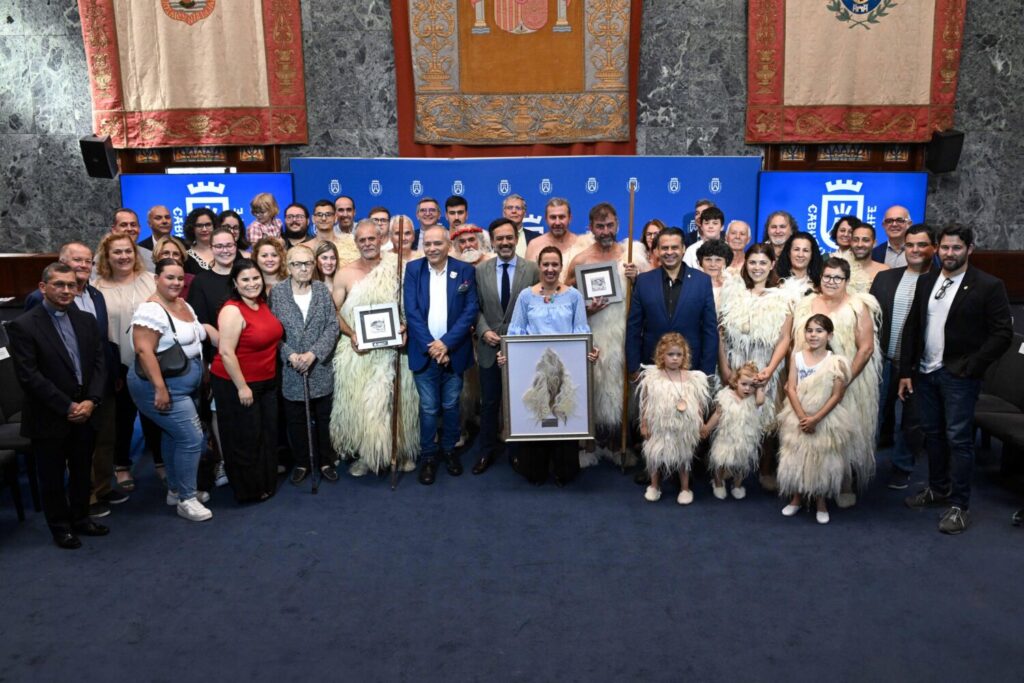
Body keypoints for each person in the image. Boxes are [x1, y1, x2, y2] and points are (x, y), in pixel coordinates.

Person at [899, 224, 1013, 534]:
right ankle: (938, 489)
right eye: (945, 247)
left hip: (959, 377)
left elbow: (1002, 333)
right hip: (925, 372)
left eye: (957, 248)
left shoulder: (988, 285)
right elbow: (913, 326)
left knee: (959, 439)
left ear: (969, 249)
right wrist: (906, 371)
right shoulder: (926, 281)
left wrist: (972, 365)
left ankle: (959, 506)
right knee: (933, 434)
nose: (950, 253)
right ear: (937, 249)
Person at [8, 263, 108, 549]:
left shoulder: (86, 320)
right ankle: (60, 528)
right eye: (59, 285)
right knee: (51, 477)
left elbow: (99, 364)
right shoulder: (23, 325)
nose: (66, 290)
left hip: (86, 412)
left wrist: (91, 401)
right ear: (43, 287)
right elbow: (29, 376)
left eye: (71, 285)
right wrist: (68, 407)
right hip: (49, 415)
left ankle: (81, 518)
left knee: (81, 470)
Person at [24, 242, 122, 517]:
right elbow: (36, 358)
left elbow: (102, 342)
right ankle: (87, 499)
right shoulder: (38, 301)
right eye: (76, 260)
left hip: (98, 384)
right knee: (71, 455)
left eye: (88, 261)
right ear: (62, 262)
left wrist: (109, 379)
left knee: (104, 439)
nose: (83, 265)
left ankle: (102, 487)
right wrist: (69, 401)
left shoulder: (96, 295)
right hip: (63, 395)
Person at [500, 245, 598, 485]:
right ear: (539, 266)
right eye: (546, 264)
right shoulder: (526, 296)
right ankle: (535, 466)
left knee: (563, 412)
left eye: (555, 264)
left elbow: (581, 331)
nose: (550, 269)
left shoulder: (574, 296)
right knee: (537, 412)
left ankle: (564, 468)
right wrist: (507, 355)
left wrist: (588, 353)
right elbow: (516, 332)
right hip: (533, 370)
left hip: (566, 370)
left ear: (561, 266)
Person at [788, 257, 880, 507]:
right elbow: (796, 343)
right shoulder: (806, 304)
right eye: (827, 276)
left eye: (837, 278)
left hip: (849, 379)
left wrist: (844, 380)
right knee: (809, 429)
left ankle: (844, 482)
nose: (831, 281)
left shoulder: (858, 306)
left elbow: (866, 348)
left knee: (844, 432)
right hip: (808, 379)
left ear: (847, 280)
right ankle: (806, 481)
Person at [331, 221, 420, 476]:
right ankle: (366, 456)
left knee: (399, 402)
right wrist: (352, 334)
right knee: (362, 403)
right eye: (362, 240)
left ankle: (401, 451)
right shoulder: (345, 273)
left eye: (372, 238)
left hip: (395, 350)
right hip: (358, 351)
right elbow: (333, 311)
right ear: (356, 243)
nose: (368, 244)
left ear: (381, 239)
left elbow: (414, 305)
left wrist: (405, 328)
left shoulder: (399, 267)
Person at [127, 258, 213, 522]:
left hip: (184, 385)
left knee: (173, 436)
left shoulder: (182, 304)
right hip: (161, 386)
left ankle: (175, 490)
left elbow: (196, 337)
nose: (176, 283)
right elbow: (144, 351)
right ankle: (187, 499)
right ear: (156, 279)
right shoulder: (150, 310)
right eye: (169, 277)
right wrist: (160, 388)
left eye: (179, 278)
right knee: (192, 439)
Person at [566, 203, 647, 462]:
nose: (605, 231)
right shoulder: (580, 260)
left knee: (619, 390)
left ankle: (617, 445)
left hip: (623, 335)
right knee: (592, 388)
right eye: (600, 226)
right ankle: (588, 446)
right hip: (592, 333)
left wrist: (637, 277)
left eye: (610, 225)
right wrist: (586, 308)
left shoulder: (630, 257)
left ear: (618, 225)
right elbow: (565, 297)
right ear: (591, 227)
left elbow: (648, 295)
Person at [404, 226, 479, 485]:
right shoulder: (413, 270)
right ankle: (428, 456)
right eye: (428, 244)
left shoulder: (465, 270)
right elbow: (411, 312)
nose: (432, 248)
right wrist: (433, 347)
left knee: (450, 405)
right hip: (424, 353)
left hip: (454, 352)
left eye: (438, 243)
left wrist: (446, 344)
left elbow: (470, 310)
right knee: (428, 408)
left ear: (449, 245)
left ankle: (449, 450)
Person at [719, 243, 794, 492]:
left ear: (772, 264)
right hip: (736, 365)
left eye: (763, 263)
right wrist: (725, 368)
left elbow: (785, 338)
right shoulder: (733, 294)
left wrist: (770, 369)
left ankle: (764, 469)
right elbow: (721, 335)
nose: (757, 268)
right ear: (745, 264)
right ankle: (729, 466)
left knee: (767, 419)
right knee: (734, 415)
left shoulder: (783, 298)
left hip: (766, 366)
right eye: (752, 262)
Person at [93, 232, 163, 492]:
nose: (123, 256)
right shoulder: (96, 288)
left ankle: (160, 462)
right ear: (106, 256)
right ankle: (121, 465)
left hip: (152, 360)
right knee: (122, 418)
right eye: (117, 252)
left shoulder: (151, 281)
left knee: (155, 414)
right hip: (117, 364)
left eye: (128, 251)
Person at [210, 259, 284, 503]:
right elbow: (226, 352)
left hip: (266, 381)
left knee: (266, 433)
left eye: (255, 278)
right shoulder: (232, 310)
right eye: (245, 279)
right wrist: (242, 387)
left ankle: (265, 482)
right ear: (235, 283)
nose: (252, 283)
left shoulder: (261, 303)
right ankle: (248, 490)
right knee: (245, 438)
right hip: (237, 383)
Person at [869, 223, 935, 489]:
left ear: (934, 248)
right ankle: (864, 465)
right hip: (884, 360)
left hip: (920, 365)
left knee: (912, 421)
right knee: (875, 415)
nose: (915, 250)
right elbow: (870, 319)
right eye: (910, 245)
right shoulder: (885, 278)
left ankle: (901, 467)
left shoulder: (940, 282)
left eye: (922, 245)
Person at [269, 245, 341, 485]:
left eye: (308, 263)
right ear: (288, 266)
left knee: (323, 418)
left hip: (319, 367)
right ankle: (302, 462)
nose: (303, 268)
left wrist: (314, 354)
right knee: (296, 420)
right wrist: (289, 355)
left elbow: (332, 326)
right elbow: (272, 332)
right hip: (292, 369)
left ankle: (325, 461)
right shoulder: (277, 293)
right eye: (297, 264)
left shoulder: (321, 290)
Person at [473, 218, 540, 475]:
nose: (504, 242)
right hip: (489, 348)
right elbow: (475, 307)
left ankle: (518, 453)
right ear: (492, 241)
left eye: (509, 237)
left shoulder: (531, 269)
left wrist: (521, 336)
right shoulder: (480, 270)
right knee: (489, 403)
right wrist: (483, 331)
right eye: (499, 238)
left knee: (520, 403)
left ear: (516, 239)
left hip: (521, 350)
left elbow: (537, 306)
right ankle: (485, 451)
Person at [778, 314, 855, 525]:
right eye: (809, 330)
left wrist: (816, 419)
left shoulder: (835, 362)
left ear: (829, 335)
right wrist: (803, 417)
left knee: (821, 459)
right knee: (796, 456)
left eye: (819, 331)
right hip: (798, 415)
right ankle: (796, 498)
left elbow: (837, 395)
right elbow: (791, 388)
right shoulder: (797, 357)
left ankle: (821, 502)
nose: (813, 335)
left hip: (824, 418)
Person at [638, 333, 709, 505]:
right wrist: (644, 424)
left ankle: (685, 488)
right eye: (671, 354)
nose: (675, 358)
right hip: (659, 428)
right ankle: (654, 486)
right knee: (655, 455)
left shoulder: (692, 378)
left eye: (679, 354)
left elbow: (698, 404)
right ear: (661, 355)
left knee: (684, 458)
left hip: (683, 429)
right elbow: (645, 403)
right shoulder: (653, 378)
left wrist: (701, 423)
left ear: (685, 356)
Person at [704, 362, 766, 500]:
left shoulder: (754, 399)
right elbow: (717, 414)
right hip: (726, 437)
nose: (747, 388)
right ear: (736, 382)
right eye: (744, 384)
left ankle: (737, 485)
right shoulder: (726, 396)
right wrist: (707, 427)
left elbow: (761, 401)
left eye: (751, 385)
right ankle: (718, 482)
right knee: (721, 460)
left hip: (745, 438)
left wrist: (760, 386)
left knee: (741, 464)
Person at [525, 198, 583, 263]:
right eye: (553, 217)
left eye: (561, 217)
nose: (557, 222)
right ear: (546, 219)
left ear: (570, 218)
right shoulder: (534, 245)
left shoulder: (581, 244)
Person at [776, 231, 824, 295]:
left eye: (805, 250)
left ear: (812, 255)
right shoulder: (775, 280)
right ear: (789, 253)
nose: (800, 255)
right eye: (796, 249)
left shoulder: (821, 283)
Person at [110, 208, 155, 272]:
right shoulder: (103, 257)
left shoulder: (150, 257)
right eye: (124, 225)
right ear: (114, 230)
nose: (129, 229)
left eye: (133, 225)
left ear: (139, 229)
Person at [848, 223, 889, 293]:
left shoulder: (884, 271)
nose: (860, 245)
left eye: (866, 240)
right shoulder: (841, 267)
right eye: (855, 240)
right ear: (851, 242)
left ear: (874, 243)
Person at [153, 235, 195, 300]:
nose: (171, 257)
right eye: (166, 253)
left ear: (181, 258)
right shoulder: (147, 280)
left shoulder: (193, 281)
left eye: (176, 254)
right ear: (157, 257)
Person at [695, 238, 732, 308]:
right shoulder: (692, 286)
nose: (713, 264)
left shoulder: (733, 286)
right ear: (700, 262)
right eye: (708, 259)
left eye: (718, 260)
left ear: (726, 262)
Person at [183, 208, 218, 274]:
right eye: (199, 226)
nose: (204, 229)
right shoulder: (185, 257)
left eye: (208, 225)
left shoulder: (225, 251)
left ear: (214, 226)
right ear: (192, 228)